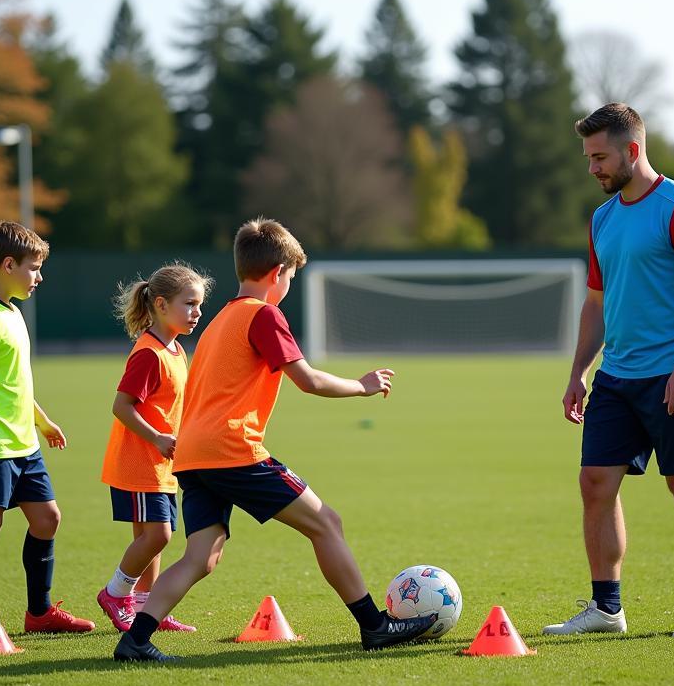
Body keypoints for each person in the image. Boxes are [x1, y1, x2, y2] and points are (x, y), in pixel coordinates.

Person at [114, 217, 437, 663]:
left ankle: (134, 640)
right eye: (291, 276)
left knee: (200, 557)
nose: (290, 285)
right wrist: (362, 386)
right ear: (276, 273)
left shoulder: (221, 318)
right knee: (327, 523)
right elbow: (307, 380)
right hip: (232, 450)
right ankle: (374, 625)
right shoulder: (264, 314)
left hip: (192, 456)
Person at [546, 103, 674, 639]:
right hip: (616, 378)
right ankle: (606, 609)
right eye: (588, 158)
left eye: (600, 157)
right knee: (595, 483)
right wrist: (579, 371)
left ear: (632, 150)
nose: (592, 168)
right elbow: (596, 303)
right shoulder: (602, 218)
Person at [0, 221, 94, 643]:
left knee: (48, 519)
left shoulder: (12, 313)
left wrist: (43, 422)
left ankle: (39, 612)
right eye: (33, 267)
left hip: (24, 445)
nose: (39, 276)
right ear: (7, 265)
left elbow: (11, 383)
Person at [96, 264, 214, 633]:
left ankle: (147, 609)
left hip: (161, 464)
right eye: (189, 304)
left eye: (199, 305)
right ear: (161, 304)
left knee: (153, 540)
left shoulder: (175, 349)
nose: (197, 312)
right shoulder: (149, 353)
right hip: (139, 462)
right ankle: (116, 594)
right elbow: (121, 405)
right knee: (157, 535)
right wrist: (159, 438)